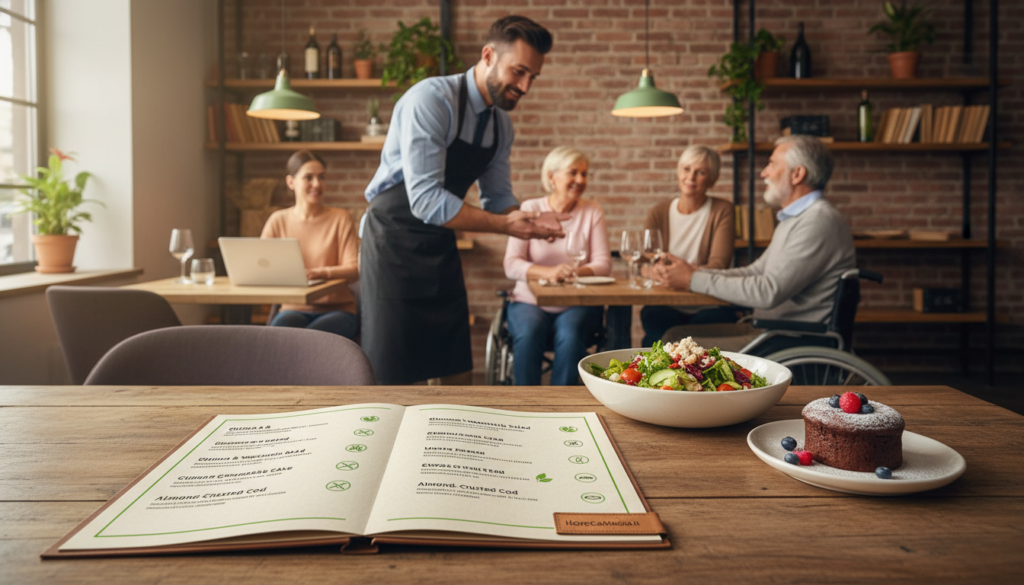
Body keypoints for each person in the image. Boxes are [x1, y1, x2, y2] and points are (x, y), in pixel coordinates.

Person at [361, 16, 564, 385]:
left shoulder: (501, 125)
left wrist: (527, 221)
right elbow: (423, 199)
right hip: (392, 239)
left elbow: (498, 196)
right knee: (391, 372)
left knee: (455, 369)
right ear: (488, 55)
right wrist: (506, 226)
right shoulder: (431, 100)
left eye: (532, 77)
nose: (525, 86)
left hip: (439, 240)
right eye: (519, 72)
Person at [652, 134, 856, 354]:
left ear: (797, 174)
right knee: (674, 336)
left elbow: (768, 291)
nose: (764, 173)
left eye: (772, 164)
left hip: (791, 337)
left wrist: (691, 279)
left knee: (674, 347)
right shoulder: (797, 218)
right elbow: (755, 271)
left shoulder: (817, 221)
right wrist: (694, 271)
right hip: (771, 330)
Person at [503, 147, 611, 385]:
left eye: (584, 174)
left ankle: (560, 407)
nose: (580, 180)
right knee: (529, 333)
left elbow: (603, 264)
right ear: (552, 177)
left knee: (571, 336)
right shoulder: (530, 209)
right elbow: (511, 265)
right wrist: (550, 272)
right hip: (529, 300)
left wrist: (572, 272)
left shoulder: (592, 211)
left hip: (577, 302)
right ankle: (526, 405)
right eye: (573, 173)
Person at [639, 145, 736, 347]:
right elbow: (642, 262)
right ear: (678, 172)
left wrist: (683, 274)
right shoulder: (659, 211)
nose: (690, 177)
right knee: (654, 327)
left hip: (708, 304)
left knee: (695, 345)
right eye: (686, 169)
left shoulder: (723, 210)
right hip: (666, 302)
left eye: (700, 172)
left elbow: (719, 265)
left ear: (712, 179)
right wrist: (653, 272)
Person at [261, 150, 360, 340]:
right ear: (291, 182)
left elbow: (354, 269)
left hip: (338, 310)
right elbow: (262, 267)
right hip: (292, 308)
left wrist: (320, 273)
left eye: (322, 177)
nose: (317, 184)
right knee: (273, 340)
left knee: (308, 341)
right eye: (309, 177)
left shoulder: (340, 218)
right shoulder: (278, 220)